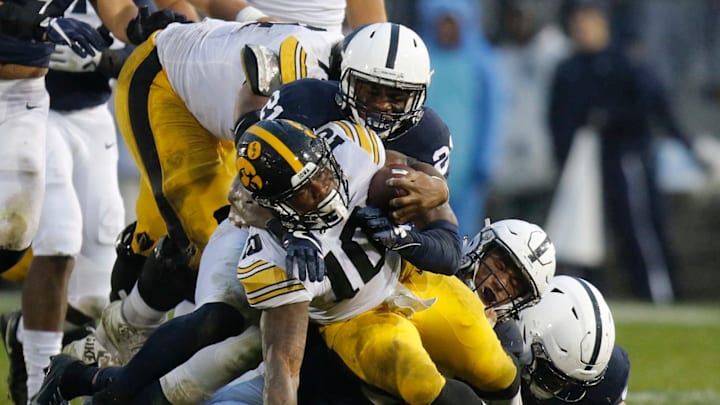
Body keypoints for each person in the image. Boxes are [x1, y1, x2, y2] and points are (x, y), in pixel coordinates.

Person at [548, 0, 701, 302]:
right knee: (583, 235)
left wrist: (686, 144)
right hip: (584, 168)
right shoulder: (568, 69)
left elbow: (653, 105)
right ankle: (588, 295)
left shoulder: (624, 62)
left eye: (589, 19)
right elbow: (556, 118)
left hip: (625, 157)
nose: (583, 27)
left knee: (637, 226)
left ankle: (658, 292)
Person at [416, 0, 503, 237]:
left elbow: (493, 112)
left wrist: (485, 158)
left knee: (461, 235)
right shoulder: (420, 57)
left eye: (452, 22)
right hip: (422, 164)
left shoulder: (482, 62)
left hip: (467, 169)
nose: (446, 29)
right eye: (441, 22)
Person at [517, 275, 629, 404]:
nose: (560, 387)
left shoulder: (605, 373)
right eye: (551, 377)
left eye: (566, 381)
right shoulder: (501, 339)